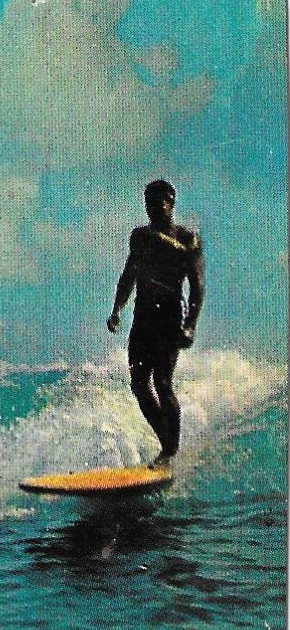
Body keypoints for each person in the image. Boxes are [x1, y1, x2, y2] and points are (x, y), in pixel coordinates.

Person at [107, 179, 204, 466]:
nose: (154, 208)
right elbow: (129, 275)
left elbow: (197, 287)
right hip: (143, 315)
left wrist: (191, 325)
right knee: (138, 384)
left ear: (171, 203)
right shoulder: (140, 237)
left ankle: (169, 451)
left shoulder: (188, 240)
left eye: (160, 202)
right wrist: (116, 310)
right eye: (150, 203)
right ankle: (168, 446)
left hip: (169, 315)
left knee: (162, 382)